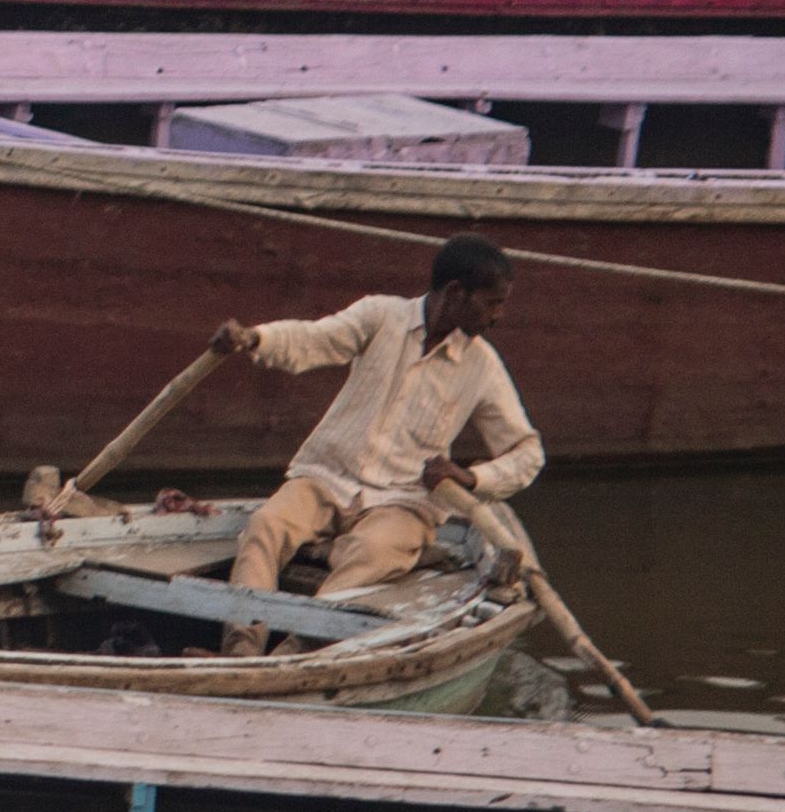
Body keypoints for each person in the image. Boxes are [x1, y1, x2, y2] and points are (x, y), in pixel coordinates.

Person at [206, 237, 540, 650]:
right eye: (492, 302)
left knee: (368, 552)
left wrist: (471, 477)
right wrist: (255, 339)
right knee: (264, 526)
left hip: (404, 500)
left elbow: (528, 453)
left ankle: (293, 655)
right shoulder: (381, 315)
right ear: (455, 293)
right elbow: (316, 339)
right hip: (327, 478)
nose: (498, 316)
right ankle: (241, 649)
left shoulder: (483, 365)